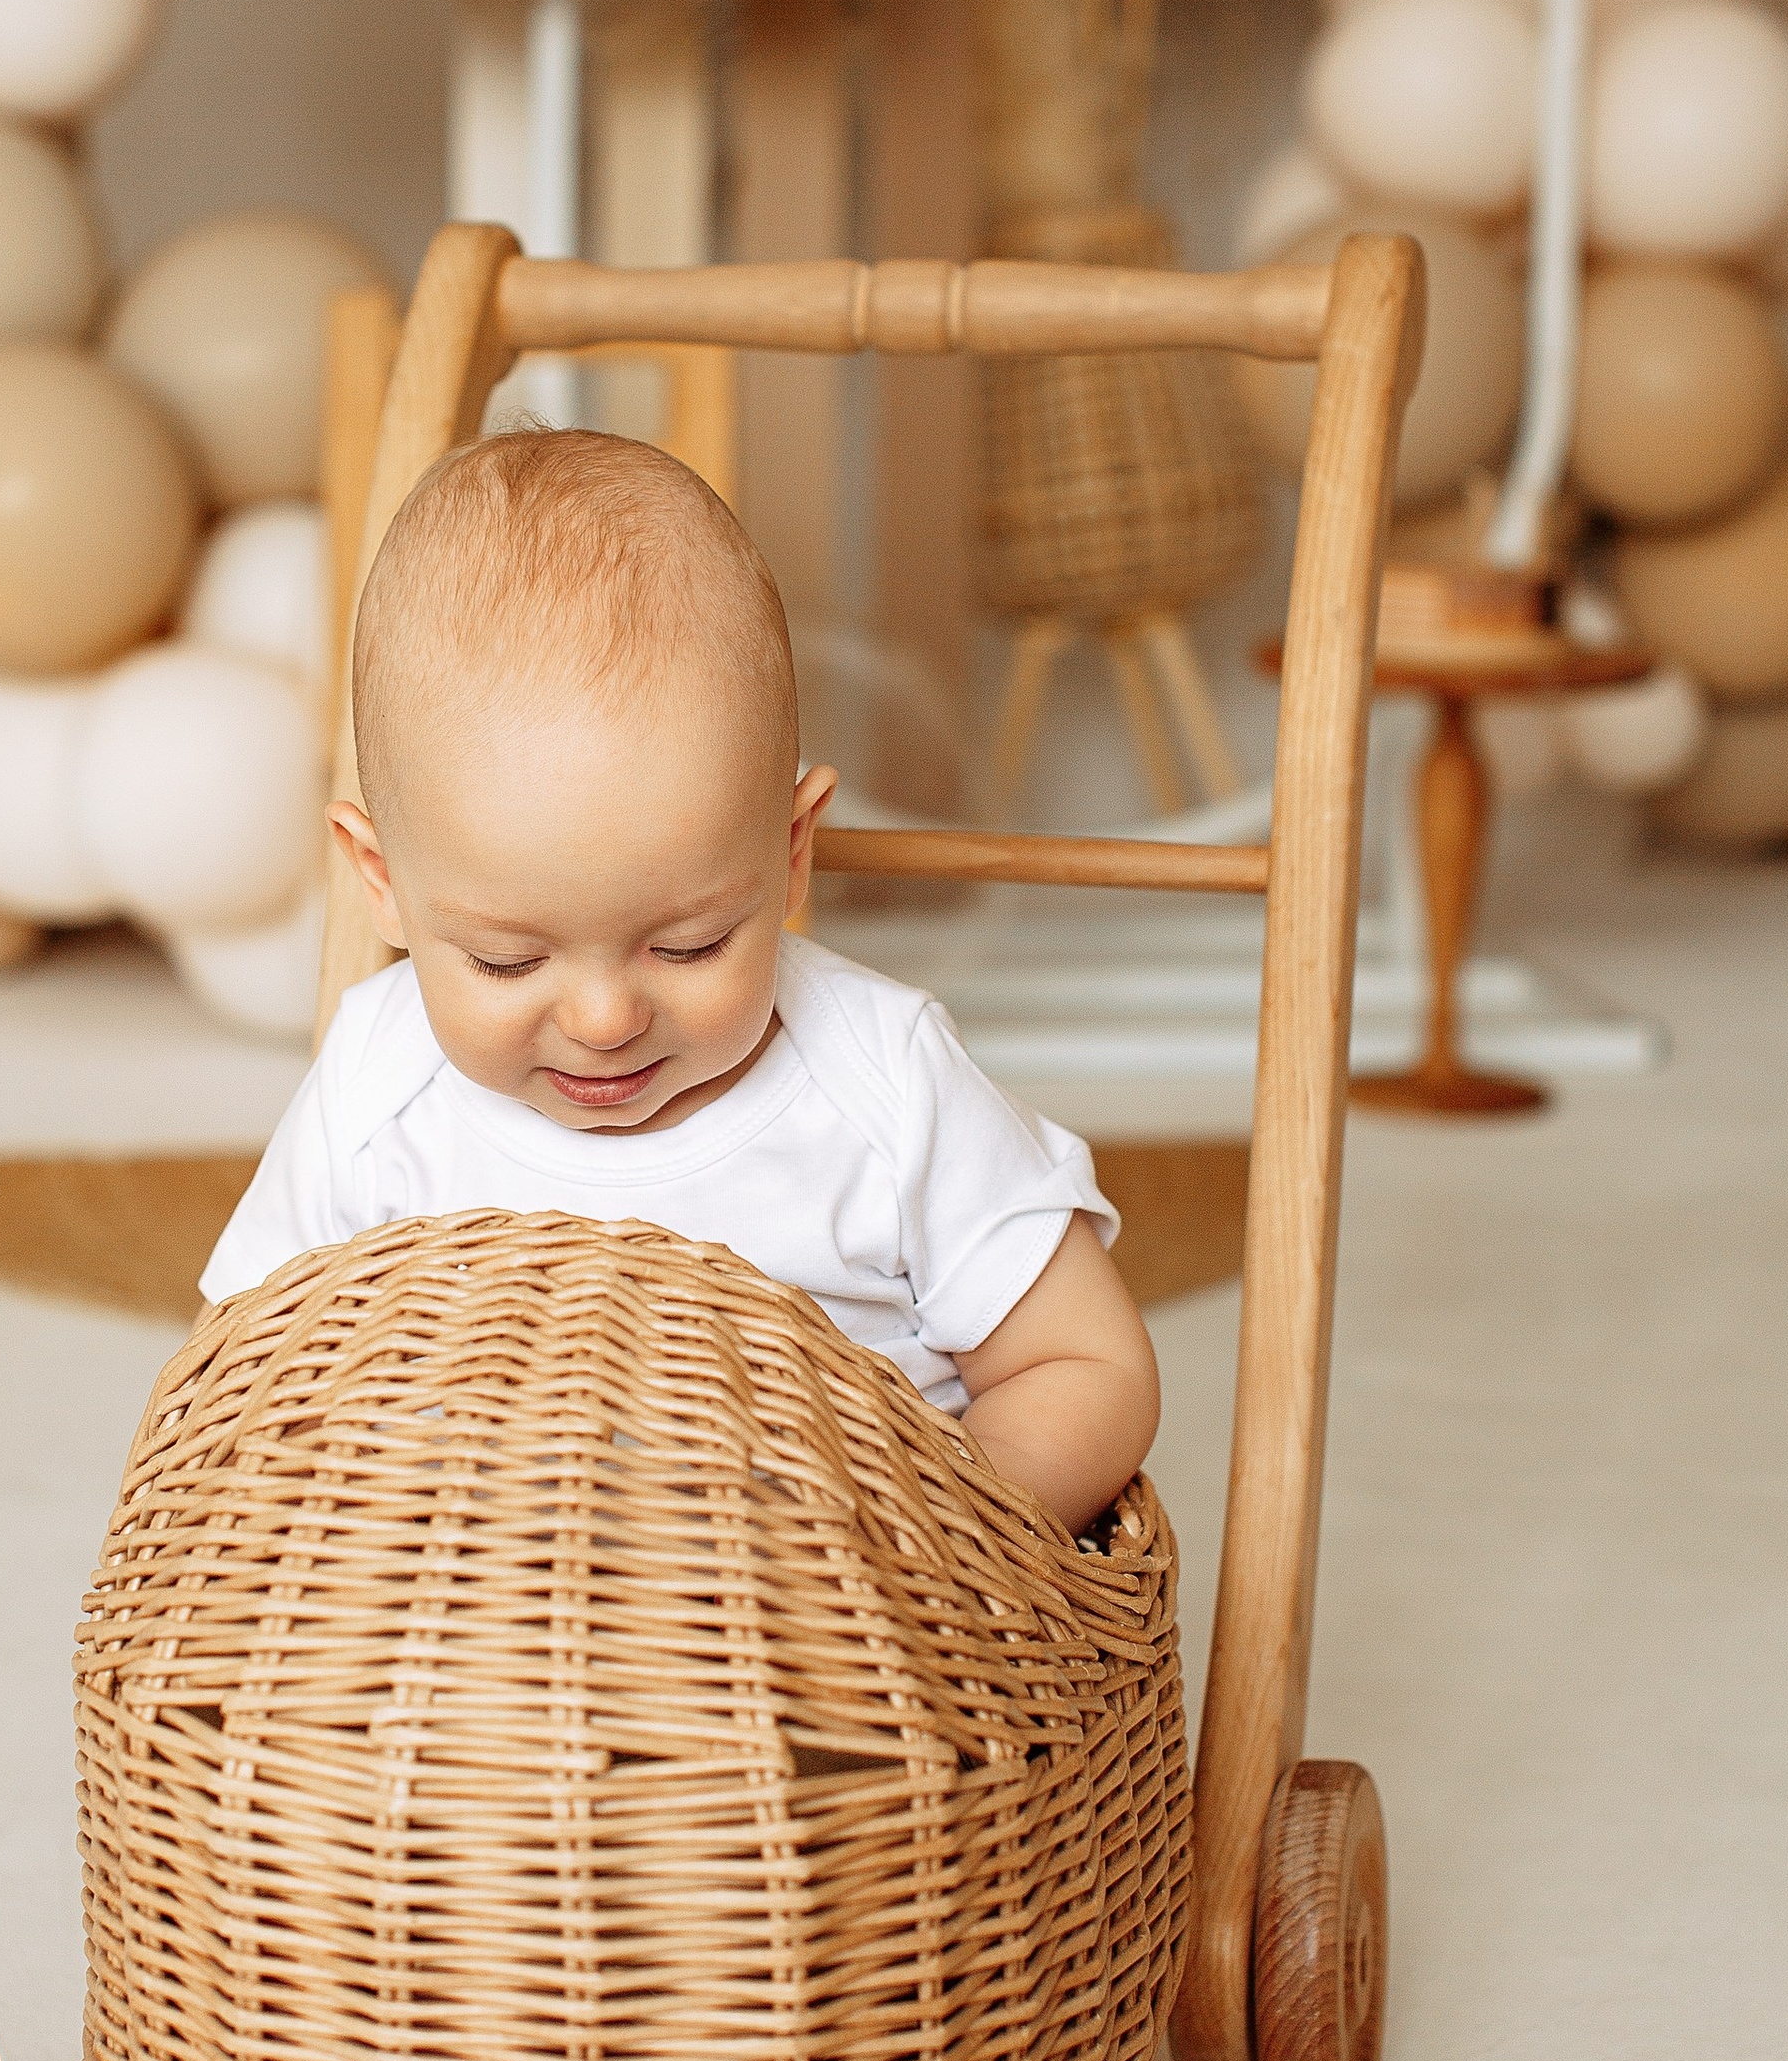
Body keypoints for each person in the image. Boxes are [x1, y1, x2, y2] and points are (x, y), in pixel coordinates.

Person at [203, 427, 1158, 1533]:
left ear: (791, 852)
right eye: (508, 960)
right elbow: (246, 1385)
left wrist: (932, 1540)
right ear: (381, 883)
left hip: (846, 1654)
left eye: (691, 944)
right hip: (461, 1649)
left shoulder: (881, 1084)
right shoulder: (376, 1087)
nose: (605, 1019)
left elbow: (1085, 1365)